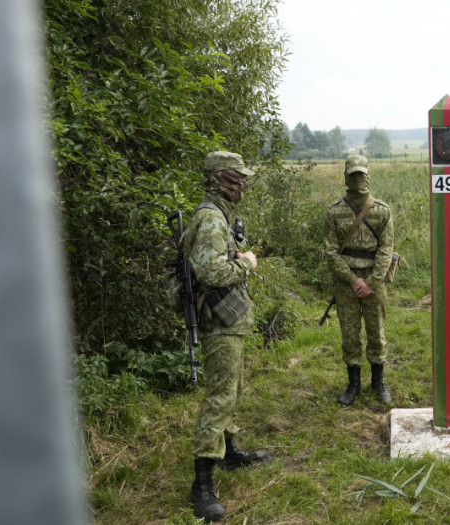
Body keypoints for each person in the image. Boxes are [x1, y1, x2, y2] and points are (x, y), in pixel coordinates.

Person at [183, 151, 269, 522]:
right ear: (220, 179)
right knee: (219, 396)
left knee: (234, 388)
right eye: (237, 178)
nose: (243, 186)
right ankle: (201, 484)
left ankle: (229, 451)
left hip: (229, 319)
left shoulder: (222, 216)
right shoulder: (210, 219)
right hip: (218, 321)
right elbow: (211, 273)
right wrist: (246, 264)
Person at [323, 154, 395, 406]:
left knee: (376, 332)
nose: (357, 179)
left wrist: (372, 282)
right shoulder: (335, 212)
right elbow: (331, 252)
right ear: (346, 176)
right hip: (346, 284)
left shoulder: (381, 211)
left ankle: (378, 381)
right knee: (350, 334)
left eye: (361, 174)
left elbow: (386, 250)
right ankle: (353, 383)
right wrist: (354, 281)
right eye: (353, 174)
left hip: (374, 284)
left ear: (368, 175)